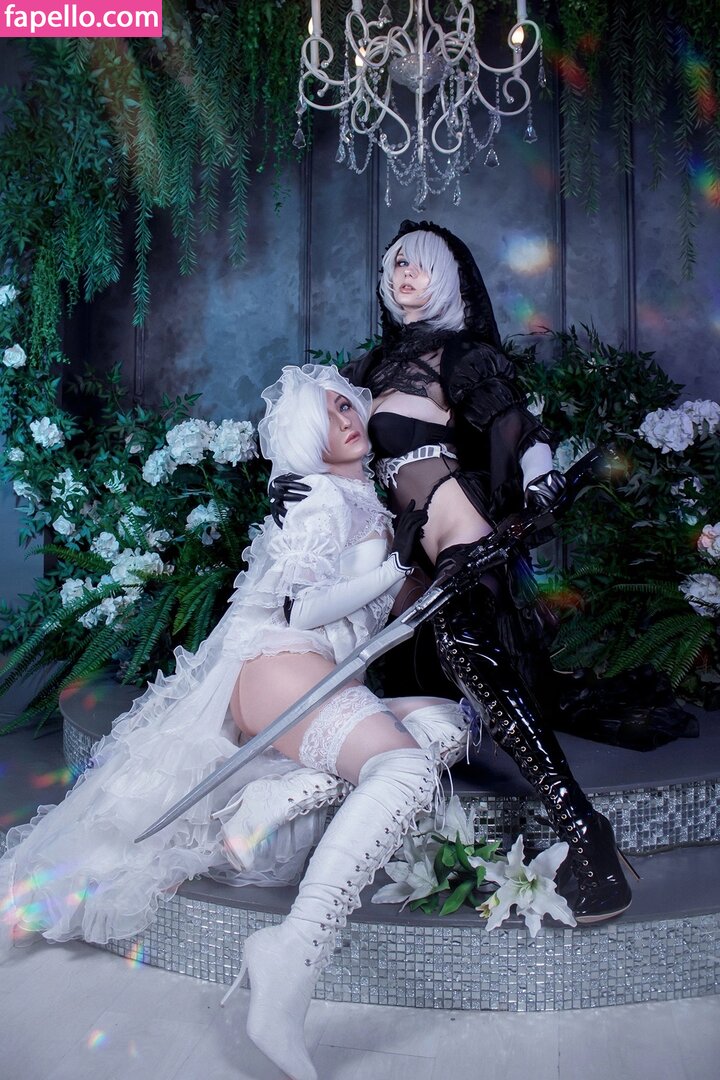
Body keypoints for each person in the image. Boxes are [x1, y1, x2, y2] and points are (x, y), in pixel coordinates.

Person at [1, 363, 467, 1080]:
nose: (347, 418)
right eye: (329, 411)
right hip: (282, 663)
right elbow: (301, 609)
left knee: (449, 721)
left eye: (349, 405)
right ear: (306, 433)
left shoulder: (356, 494)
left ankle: (286, 792)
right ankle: (293, 954)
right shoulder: (318, 495)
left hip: (314, 675)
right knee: (403, 765)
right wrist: (396, 565)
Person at [272, 222, 636, 926]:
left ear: (446, 275)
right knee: (401, 667)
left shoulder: (462, 355)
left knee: (469, 650)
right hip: (399, 551)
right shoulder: (370, 365)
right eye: (395, 265)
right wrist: (288, 479)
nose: (404, 275)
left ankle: (584, 830)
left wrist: (542, 477)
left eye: (419, 264)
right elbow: (327, 441)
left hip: (453, 524)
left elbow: (520, 430)